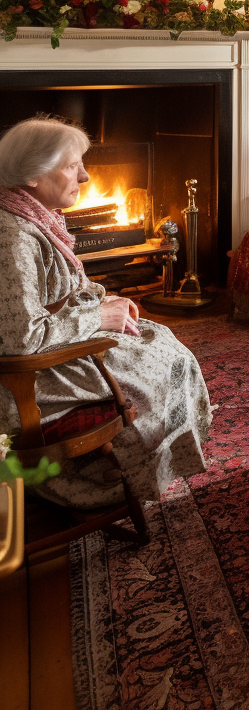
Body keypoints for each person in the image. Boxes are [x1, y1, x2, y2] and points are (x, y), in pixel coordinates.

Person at [0, 116, 211, 509]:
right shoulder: (11, 236)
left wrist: (105, 301)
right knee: (160, 362)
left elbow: (63, 287)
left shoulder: (31, 215)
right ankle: (112, 478)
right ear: (31, 174)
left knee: (159, 339)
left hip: (57, 348)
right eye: (71, 165)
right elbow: (21, 339)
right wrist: (99, 318)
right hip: (30, 381)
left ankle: (145, 462)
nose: (83, 177)